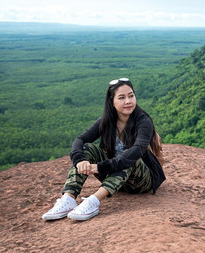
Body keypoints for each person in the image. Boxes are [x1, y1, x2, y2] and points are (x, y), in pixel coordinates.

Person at [42, 77, 166, 221]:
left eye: (131, 96)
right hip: (116, 178)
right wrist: (80, 160)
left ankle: (93, 201)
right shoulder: (106, 122)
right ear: (111, 102)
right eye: (122, 97)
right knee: (87, 148)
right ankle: (68, 198)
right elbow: (80, 140)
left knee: (129, 156)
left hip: (141, 181)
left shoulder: (143, 121)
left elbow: (138, 150)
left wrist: (100, 167)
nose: (128, 101)